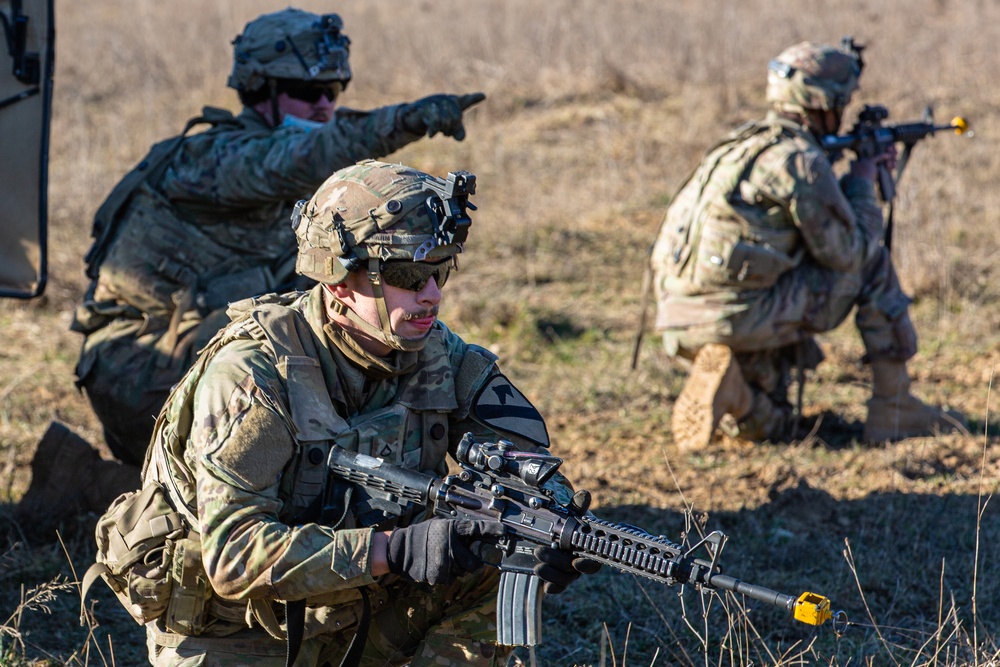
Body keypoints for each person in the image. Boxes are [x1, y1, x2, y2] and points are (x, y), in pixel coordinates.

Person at [103, 159, 597, 666]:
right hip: (242, 633)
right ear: (338, 281)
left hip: (362, 609)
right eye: (409, 273)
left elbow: (523, 456)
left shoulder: (437, 353)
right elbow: (234, 558)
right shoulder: (254, 376)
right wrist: (397, 550)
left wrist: (553, 517)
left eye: (441, 269)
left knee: (503, 543)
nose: (432, 295)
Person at [17, 8, 486, 527]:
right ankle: (93, 485)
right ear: (261, 89)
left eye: (334, 88)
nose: (326, 103)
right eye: (309, 92)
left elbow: (329, 135)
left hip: (189, 347)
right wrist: (410, 119)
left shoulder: (280, 142)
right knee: (292, 353)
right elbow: (306, 154)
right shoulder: (212, 159)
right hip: (139, 365)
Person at [650, 39, 965, 451]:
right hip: (741, 315)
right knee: (870, 257)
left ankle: (735, 393)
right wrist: (862, 181)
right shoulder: (801, 160)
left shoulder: (738, 145)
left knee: (777, 424)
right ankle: (895, 404)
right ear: (824, 103)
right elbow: (849, 251)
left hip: (680, 316)